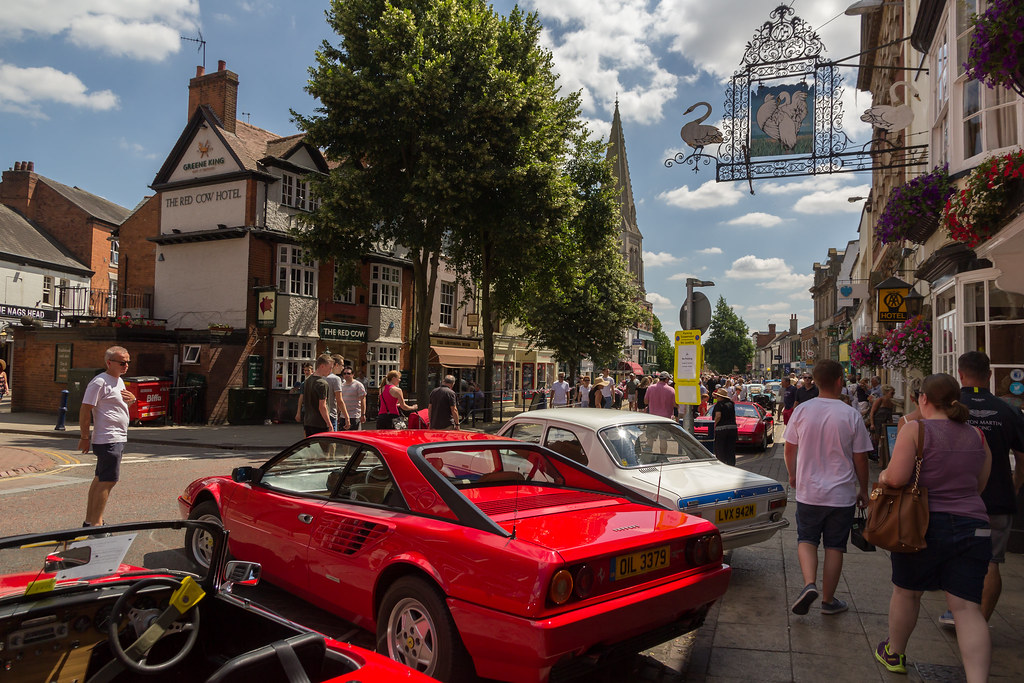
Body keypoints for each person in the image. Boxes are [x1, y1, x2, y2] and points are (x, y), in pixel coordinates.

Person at [873, 373, 992, 680]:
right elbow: (979, 485)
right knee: (967, 608)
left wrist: (884, 475)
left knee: (908, 592)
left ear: (923, 399)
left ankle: (894, 653)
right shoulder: (977, 436)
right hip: (973, 526)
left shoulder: (915, 430)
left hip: (922, 525)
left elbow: (898, 478)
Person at [936, 351, 1024, 627]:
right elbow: (1022, 459)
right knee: (992, 562)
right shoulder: (1008, 410)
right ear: (989, 375)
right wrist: (1014, 485)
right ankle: (979, 621)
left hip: (953, 498)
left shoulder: (948, 407)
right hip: (997, 498)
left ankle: (958, 612)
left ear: (960, 375)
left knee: (953, 558)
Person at [784, 359, 872, 617]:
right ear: (839, 382)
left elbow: (789, 448)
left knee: (806, 539)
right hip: (841, 495)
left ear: (817, 381)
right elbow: (861, 459)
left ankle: (809, 584)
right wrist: (863, 490)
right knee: (835, 546)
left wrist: (792, 475)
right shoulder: (851, 415)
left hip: (809, 491)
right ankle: (828, 600)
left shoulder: (802, 411)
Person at [78, 346, 137, 527]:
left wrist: (132, 400)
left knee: (100, 479)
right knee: (108, 481)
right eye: (122, 362)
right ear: (109, 362)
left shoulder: (118, 380)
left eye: (127, 362)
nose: (126, 365)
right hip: (108, 438)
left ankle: (90, 521)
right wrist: (84, 437)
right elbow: (85, 409)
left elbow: (117, 406)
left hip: (116, 437)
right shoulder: (99, 382)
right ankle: (97, 525)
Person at [295, 355, 332, 437]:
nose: (330, 371)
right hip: (319, 424)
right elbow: (322, 406)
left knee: (311, 448)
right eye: (330, 368)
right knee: (324, 449)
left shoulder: (307, 380)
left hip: (308, 422)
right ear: (322, 366)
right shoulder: (322, 383)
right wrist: (329, 424)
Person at [711, 388, 738, 466]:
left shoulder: (719, 404)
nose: (716, 398)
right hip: (732, 429)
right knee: (730, 449)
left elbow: (718, 416)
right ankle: (731, 465)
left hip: (722, 430)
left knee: (720, 449)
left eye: (717, 396)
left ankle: (722, 466)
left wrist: (714, 425)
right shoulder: (731, 403)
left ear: (720, 397)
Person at [869, 384, 896, 460]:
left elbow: (890, 416)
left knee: (883, 440)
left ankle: (881, 456)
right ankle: (874, 455)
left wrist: (892, 425)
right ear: (886, 392)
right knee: (875, 440)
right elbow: (872, 413)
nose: (893, 395)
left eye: (893, 393)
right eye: (892, 393)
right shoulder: (879, 400)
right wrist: (872, 424)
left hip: (885, 423)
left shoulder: (891, 403)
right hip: (877, 422)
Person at [326, 355, 349, 431]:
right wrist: (346, 416)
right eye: (342, 365)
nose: (343, 368)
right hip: (331, 414)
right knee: (331, 441)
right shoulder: (336, 379)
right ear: (336, 365)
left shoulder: (321, 376)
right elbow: (339, 400)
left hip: (319, 414)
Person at [340, 365, 367, 430]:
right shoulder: (341, 385)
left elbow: (363, 400)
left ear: (353, 374)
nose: (346, 375)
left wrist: (363, 414)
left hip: (354, 416)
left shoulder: (358, 385)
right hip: (343, 416)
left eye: (348, 373)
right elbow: (340, 401)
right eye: (344, 373)